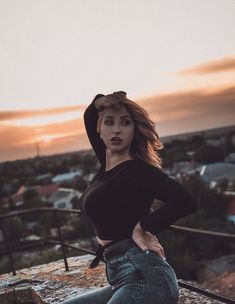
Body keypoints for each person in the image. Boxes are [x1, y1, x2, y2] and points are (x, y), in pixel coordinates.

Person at [61, 91, 197, 304]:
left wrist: (143, 227)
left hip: (147, 278)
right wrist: (101, 101)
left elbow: (185, 200)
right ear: (100, 129)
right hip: (121, 277)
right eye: (109, 122)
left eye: (125, 123)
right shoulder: (106, 166)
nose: (116, 129)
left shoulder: (138, 171)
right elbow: (89, 116)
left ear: (134, 131)